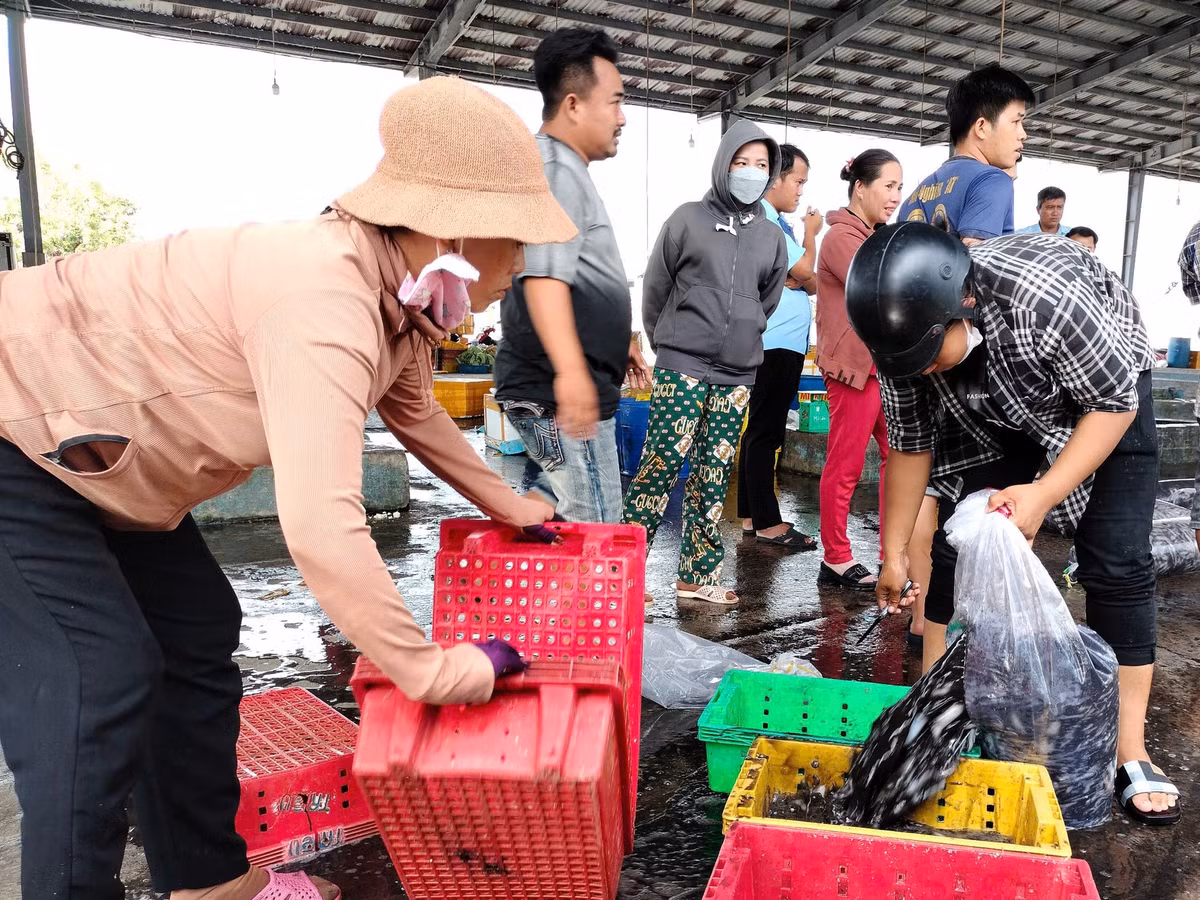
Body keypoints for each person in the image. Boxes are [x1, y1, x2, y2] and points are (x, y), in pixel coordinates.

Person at [0, 77, 574, 900]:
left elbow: (414, 410)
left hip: (104, 463)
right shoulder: (324, 297)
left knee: (196, 629)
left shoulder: (390, 295)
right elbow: (321, 528)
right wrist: (432, 671)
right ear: (452, 225)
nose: (519, 265)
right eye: (516, 240)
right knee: (96, 676)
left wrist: (511, 505)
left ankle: (207, 886)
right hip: (16, 425)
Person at [848, 221, 1179, 826]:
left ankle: (1129, 749)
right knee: (961, 534)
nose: (916, 371)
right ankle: (941, 715)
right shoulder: (905, 343)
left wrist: (1043, 495)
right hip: (993, 400)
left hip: (1109, 396)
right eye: (903, 362)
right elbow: (911, 446)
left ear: (962, 306)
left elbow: (1111, 403)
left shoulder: (1041, 297)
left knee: (1115, 560)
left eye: (926, 355)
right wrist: (894, 554)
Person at [897, 63, 1032, 661]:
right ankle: (976, 649)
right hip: (969, 361)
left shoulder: (924, 188)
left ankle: (926, 637)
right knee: (987, 504)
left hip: (919, 357)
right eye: (1018, 122)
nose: (1024, 136)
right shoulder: (992, 182)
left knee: (934, 491)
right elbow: (973, 269)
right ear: (982, 127)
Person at [624, 120, 788, 605]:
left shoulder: (770, 236)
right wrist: (668, 343)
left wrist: (743, 330)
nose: (751, 173)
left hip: (738, 371)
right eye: (742, 163)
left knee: (714, 470)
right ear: (724, 165)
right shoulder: (687, 218)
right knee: (660, 463)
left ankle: (698, 574)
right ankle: (627, 572)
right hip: (682, 364)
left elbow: (768, 298)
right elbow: (655, 290)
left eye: (761, 165)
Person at [494, 28, 650, 524]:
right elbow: (542, 278)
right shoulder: (556, 169)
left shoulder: (567, 170)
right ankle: (579, 603)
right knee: (596, 527)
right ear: (574, 104)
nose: (622, 117)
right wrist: (570, 370)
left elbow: (579, 273)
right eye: (616, 101)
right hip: (553, 390)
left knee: (563, 513)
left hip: (562, 384)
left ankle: (524, 586)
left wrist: (616, 341)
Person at [813, 150, 902, 593]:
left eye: (899, 188)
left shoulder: (877, 235)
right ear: (860, 187)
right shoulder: (839, 239)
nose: (895, 197)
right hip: (853, 368)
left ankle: (893, 553)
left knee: (899, 459)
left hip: (882, 368)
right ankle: (835, 558)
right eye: (888, 186)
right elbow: (880, 288)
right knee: (846, 464)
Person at [736, 143, 822, 549]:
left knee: (759, 430)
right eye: (798, 181)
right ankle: (769, 523)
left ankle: (753, 517)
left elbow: (803, 279)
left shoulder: (772, 224)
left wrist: (799, 276)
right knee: (767, 432)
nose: (801, 191)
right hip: (777, 342)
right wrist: (811, 234)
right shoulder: (769, 223)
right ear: (777, 178)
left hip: (774, 340)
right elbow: (807, 273)